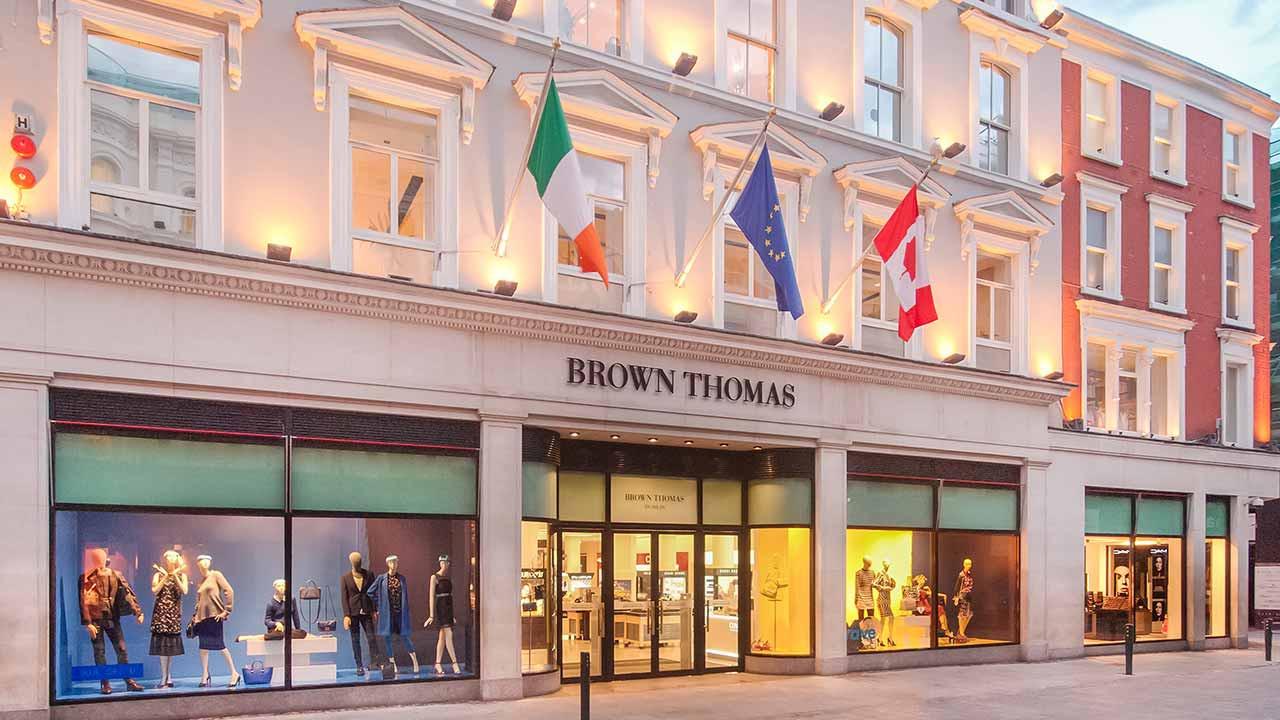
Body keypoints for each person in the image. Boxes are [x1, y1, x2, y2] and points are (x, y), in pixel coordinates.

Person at [79, 548, 145, 694]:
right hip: (96, 620)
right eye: (95, 558)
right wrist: (88, 622)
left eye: (99, 557)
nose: (97, 560)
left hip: (112, 618)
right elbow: (83, 601)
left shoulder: (116, 575)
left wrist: (137, 611)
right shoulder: (86, 578)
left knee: (122, 649)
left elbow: (127, 593)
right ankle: (105, 682)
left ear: (105, 559)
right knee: (99, 651)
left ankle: (128, 680)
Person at [149, 550, 189, 689]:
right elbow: (154, 591)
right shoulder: (158, 574)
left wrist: (175, 575)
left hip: (173, 615)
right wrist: (165, 577)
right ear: (164, 559)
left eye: (174, 556)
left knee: (170, 648)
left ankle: (168, 676)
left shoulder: (181, 575)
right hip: (161, 614)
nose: (171, 558)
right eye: (168, 556)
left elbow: (184, 590)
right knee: (162, 648)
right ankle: (164, 677)